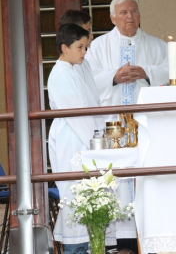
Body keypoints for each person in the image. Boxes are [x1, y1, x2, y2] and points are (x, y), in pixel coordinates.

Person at [48, 23, 104, 253]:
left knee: (90, 196)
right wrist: (97, 143)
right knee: (75, 196)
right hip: (71, 139)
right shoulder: (60, 72)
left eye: (85, 47)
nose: (84, 52)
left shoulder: (78, 67)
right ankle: (76, 249)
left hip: (84, 137)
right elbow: (75, 112)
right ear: (64, 48)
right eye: (80, 47)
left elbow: (91, 103)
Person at [85, 0, 169, 119]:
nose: (130, 16)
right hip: (111, 120)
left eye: (134, 11)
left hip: (147, 118)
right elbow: (87, 79)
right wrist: (113, 77)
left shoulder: (158, 45)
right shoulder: (98, 46)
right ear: (113, 19)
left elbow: (170, 73)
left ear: (139, 16)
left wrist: (146, 73)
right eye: (123, 12)